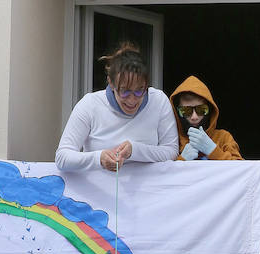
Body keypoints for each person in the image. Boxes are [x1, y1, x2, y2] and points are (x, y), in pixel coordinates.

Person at [55, 42, 179, 173]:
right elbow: (62, 157)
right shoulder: (90, 105)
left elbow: (171, 151)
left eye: (139, 91)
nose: (132, 100)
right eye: (124, 91)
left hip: (149, 190)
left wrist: (135, 151)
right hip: (96, 190)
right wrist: (98, 158)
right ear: (111, 83)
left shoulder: (158, 101)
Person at [170, 76, 242, 162]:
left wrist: (213, 150)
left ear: (210, 110)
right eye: (186, 111)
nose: (194, 117)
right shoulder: (172, 141)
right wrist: (181, 160)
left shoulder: (223, 137)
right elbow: (159, 173)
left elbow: (241, 169)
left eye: (201, 110)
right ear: (177, 112)